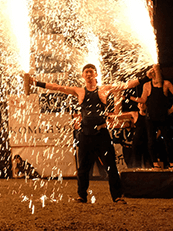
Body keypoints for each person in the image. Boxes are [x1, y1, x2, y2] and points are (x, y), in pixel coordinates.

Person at [25, 65, 138, 204]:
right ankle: (82, 196)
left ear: (96, 75)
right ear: (83, 76)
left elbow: (126, 85)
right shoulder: (79, 91)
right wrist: (36, 83)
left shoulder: (103, 89)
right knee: (83, 168)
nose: (89, 74)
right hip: (85, 135)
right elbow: (57, 87)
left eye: (91, 72)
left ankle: (117, 197)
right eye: (86, 72)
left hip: (102, 135)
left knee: (111, 166)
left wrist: (145, 78)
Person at [136, 64, 173, 169]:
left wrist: (172, 108)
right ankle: (155, 163)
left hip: (163, 116)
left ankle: (171, 162)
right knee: (151, 140)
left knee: (168, 140)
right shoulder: (147, 85)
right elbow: (143, 99)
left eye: (155, 70)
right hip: (151, 117)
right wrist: (133, 99)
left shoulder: (166, 83)